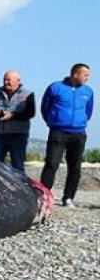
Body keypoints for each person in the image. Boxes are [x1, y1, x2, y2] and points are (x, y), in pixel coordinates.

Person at [40, 63, 94, 208]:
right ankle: (44, 196)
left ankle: (68, 197)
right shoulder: (56, 88)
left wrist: (79, 123)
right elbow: (45, 108)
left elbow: (88, 112)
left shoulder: (88, 91)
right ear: (75, 74)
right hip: (58, 132)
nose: (87, 78)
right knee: (51, 164)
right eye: (85, 75)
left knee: (75, 167)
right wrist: (54, 122)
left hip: (78, 133)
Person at [0, 70, 35, 171]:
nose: (6, 82)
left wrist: (12, 116)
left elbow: (30, 113)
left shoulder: (27, 94)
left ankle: (20, 185)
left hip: (18, 135)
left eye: (9, 80)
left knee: (17, 166)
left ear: (17, 81)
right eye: (5, 80)